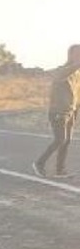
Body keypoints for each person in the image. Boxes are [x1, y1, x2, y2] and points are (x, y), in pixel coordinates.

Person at [33, 45, 80, 178]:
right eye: (78, 54)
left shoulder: (77, 73)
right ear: (70, 55)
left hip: (71, 111)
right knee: (60, 139)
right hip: (58, 111)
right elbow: (61, 75)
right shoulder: (61, 71)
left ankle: (60, 170)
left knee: (67, 140)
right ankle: (39, 163)